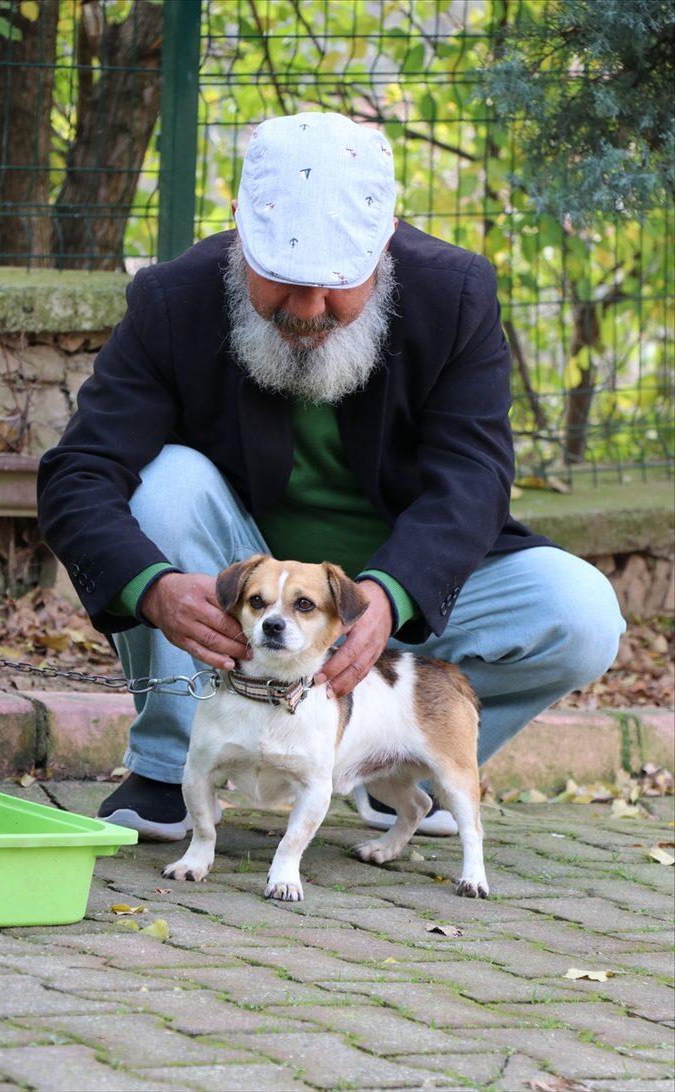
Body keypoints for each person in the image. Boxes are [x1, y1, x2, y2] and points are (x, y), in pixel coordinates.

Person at [37, 112, 625, 841]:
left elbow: (474, 475)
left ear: (384, 245)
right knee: (164, 483)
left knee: (581, 614)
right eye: (282, 281)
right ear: (241, 238)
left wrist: (388, 594)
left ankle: (389, 768)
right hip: (245, 584)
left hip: (390, 579)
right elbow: (78, 471)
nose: (308, 311)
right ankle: (168, 766)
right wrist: (153, 590)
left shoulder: (457, 293)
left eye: (336, 285)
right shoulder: (171, 298)